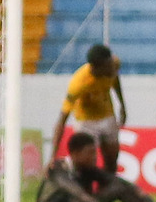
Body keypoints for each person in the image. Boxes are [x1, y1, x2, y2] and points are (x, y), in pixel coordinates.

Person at [53, 44, 128, 174]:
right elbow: (62, 119)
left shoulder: (114, 63)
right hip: (86, 121)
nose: (112, 68)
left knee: (112, 160)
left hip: (107, 115)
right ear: (96, 67)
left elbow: (115, 80)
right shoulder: (79, 83)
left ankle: (106, 193)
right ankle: (83, 191)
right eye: (108, 66)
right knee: (85, 164)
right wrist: (52, 157)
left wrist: (122, 105)